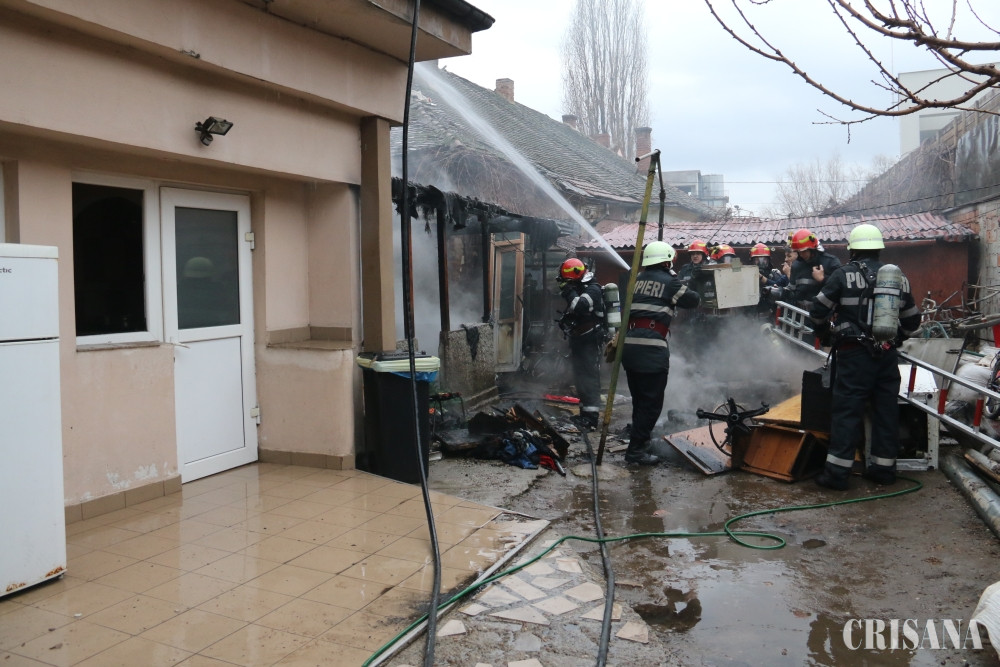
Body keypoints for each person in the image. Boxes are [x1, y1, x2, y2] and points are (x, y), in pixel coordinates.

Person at [808, 224, 921, 490]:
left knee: (847, 412)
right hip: (886, 355)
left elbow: (817, 311)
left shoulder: (842, 275)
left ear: (853, 251)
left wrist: (824, 333)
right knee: (886, 411)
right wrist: (895, 339)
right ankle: (884, 470)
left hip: (853, 355)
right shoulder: (898, 278)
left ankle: (837, 475)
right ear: (879, 250)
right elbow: (912, 321)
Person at [621, 241, 700, 465]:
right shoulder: (670, 282)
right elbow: (693, 300)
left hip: (630, 348)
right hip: (651, 349)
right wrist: (688, 282)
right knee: (651, 404)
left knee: (639, 401)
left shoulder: (635, 280)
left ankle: (640, 444)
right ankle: (636, 452)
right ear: (667, 261)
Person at [556, 257, 605, 430]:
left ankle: (591, 419)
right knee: (580, 377)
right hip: (579, 339)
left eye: (570, 281)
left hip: (590, 339)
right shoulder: (579, 288)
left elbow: (581, 306)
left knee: (589, 378)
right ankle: (584, 415)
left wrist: (568, 290)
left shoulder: (593, 288)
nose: (568, 285)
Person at [781, 228, 841, 313]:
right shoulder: (796, 266)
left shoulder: (831, 262)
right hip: (799, 315)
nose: (801, 254)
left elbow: (840, 290)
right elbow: (792, 291)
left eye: (804, 251)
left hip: (822, 316)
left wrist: (823, 279)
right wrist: (781, 292)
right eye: (799, 252)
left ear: (812, 248)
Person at [751, 242, 789, 315]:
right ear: (752, 261)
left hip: (771, 313)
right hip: (752, 314)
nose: (761, 263)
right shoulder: (747, 277)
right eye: (757, 260)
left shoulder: (775, 275)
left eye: (764, 260)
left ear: (768, 260)